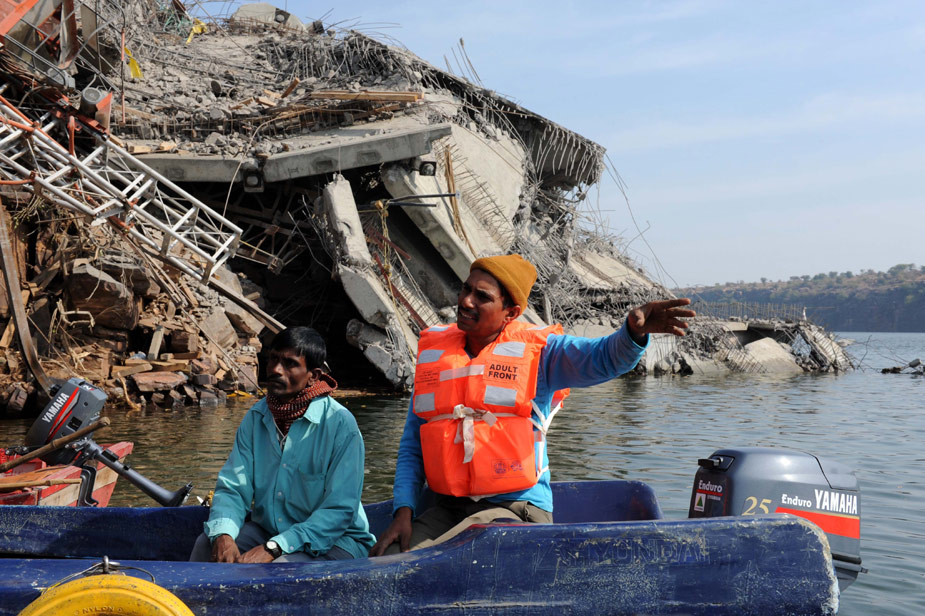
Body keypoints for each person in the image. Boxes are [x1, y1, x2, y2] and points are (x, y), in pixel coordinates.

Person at [369, 254, 694, 556]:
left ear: (510, 313)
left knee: (475, 558)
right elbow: (413, 445)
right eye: (466, 289)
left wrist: (633, 334)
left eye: (482, 296)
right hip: (449, 508)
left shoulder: (542, 354)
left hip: (516, 510)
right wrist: (403, 512)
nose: (466, 301)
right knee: (389, 560)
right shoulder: (436, 360)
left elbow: (601, 358)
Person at [190, 326, 374, 563]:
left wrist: (274, 548)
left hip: (336, 540)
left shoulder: (341, 425)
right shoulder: (257, 417)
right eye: (273, 359)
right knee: (207, 545)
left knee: (281, 567)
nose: (276, 370)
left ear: (314, 376)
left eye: (290, 364)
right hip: (269, 530)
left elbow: (338, 513)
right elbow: (234, 488)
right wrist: (223, 534)